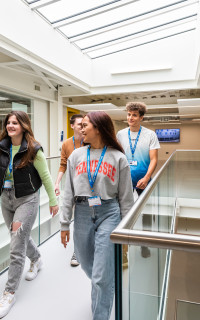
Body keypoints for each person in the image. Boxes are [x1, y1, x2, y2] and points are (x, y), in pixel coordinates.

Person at [0, 111, 59, 319]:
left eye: (15, 122)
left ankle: (9, 293)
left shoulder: (33, 149)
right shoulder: (1, 148)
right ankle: (36, 259)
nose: (10, 126)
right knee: (18, 237)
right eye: (8, 123)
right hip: (6, 199)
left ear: (24, 125)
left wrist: (53, 201)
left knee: (16, 245)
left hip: (27, 200)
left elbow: (46, 177)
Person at [60, 111, 134, 320]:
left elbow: (126, 198)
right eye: (80, 125)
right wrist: (64, 224)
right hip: (82, 212)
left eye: (85, 125)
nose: (80, 129)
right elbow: (68, 193)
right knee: (86, 263)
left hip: (109, 212)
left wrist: (127, 230)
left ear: (99, 128)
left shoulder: (118, 158)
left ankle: (100, 310)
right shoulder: (76, 156)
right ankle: (105, 286)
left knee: (100, 275)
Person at [116, 102, 160, 260]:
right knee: (122, 212)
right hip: (124, 178)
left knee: (145, 214)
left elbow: (154, 159)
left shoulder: (150, 135)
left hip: (144, 179)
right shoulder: (120, 134)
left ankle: (144, 244)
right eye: (128, 114)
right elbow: (117, 156)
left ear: (141, 117)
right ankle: (123, 251)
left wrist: (147, 177)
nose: (130, 118)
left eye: (134, 115)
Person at [54, 113, 84, 267]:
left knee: (83, 219)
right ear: (72, 126)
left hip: (88, 187)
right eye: (80, 124)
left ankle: (83, 249)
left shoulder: (90, 142)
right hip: (72, 187)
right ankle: (77, 252)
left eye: (84, 124)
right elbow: (63, 164)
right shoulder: (67, 144)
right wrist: (57, 183)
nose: (83, 127)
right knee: (76, 218)